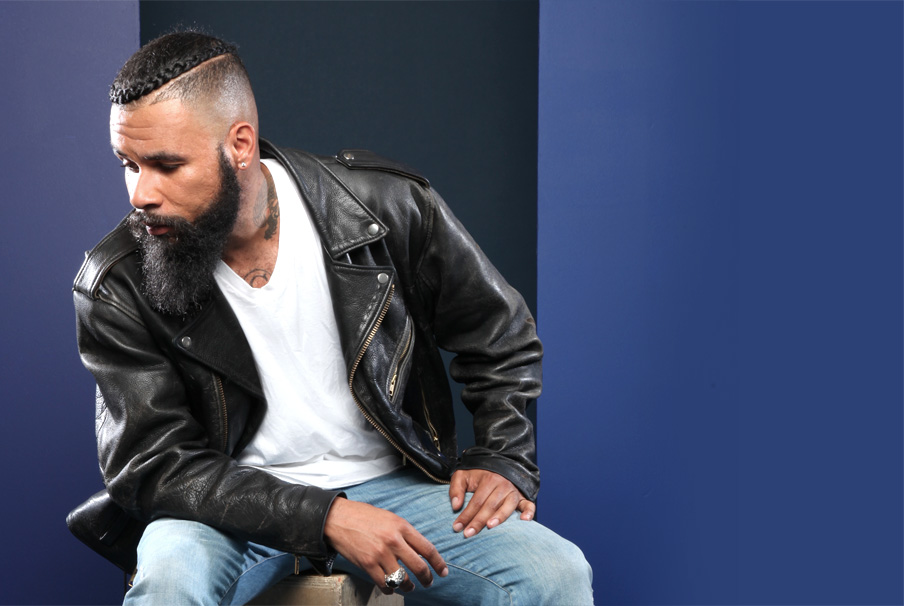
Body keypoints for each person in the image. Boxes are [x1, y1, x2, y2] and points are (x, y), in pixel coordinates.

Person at [68, 30, 593, 605]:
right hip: (224, 507)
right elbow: (153, 464)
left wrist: (502, 455)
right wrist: (326, 517)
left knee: (555, 574)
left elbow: (500, 332)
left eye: (166, 165)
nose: (140, 193)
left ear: (239, 144)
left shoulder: (382, 208)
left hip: (388, 488)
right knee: (170, 581)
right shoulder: (117, 279)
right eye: (128, 164)